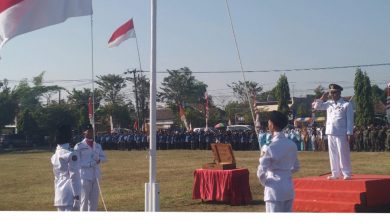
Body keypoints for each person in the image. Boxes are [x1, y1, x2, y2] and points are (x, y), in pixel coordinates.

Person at [257, 111, 300, 212]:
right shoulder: (291, 144)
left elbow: (261, 171)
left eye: (268, 122)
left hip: (273, 189)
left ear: (271, 124)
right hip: (288, 188)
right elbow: (296, 166)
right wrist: (285, 172)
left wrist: (266, 182)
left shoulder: (269, 146)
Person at [312, 84, 354, 180]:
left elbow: (350, 120)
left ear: (339, 93)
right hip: (330, 132)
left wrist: (349, 133)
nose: (332, 94)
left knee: (343, 153)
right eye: (331, 92)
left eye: (334, 92)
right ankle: (335, 173)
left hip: (341, 132)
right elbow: (316, 107)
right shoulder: (328, 104)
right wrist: (323, 97)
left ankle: (346, 173)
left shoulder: (346, 104)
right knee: (333, 154)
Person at [74, 124, 107, 211]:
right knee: (84, 200)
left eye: (92, 131)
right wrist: (89, 164)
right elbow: (77, 162)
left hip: (96, 176)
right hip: (85, 176)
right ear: (84, 133)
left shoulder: (97, 145)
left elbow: (104, 158)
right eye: (88, 131)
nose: (91, 133)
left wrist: (99, 160)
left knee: (94, 201)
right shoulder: (79, 146)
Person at [51, 124, 81, 211]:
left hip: (59, 194)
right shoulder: (71, 154)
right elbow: (74, 177)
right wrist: (77, 197)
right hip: (70, 195)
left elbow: (56, 178)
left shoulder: (54, 155)